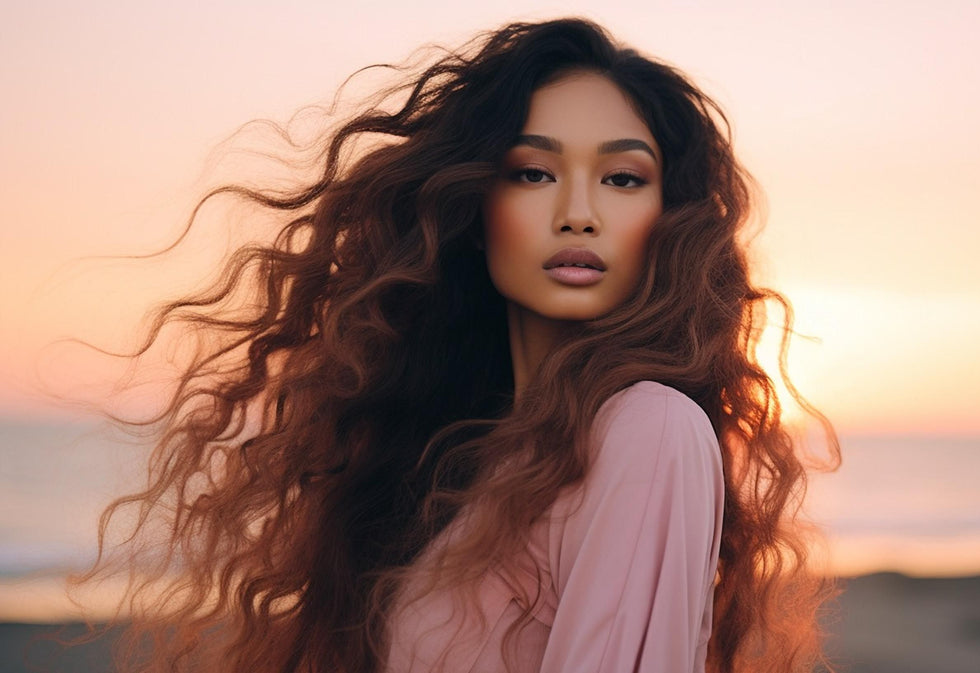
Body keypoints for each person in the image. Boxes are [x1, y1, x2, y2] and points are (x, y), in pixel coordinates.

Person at [78, 16, 839, 673]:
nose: (577, 212)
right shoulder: (478, 456)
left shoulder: (648, 429)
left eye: (622, 179)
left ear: (670, 220)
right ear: (476, 207)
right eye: (535, 172)